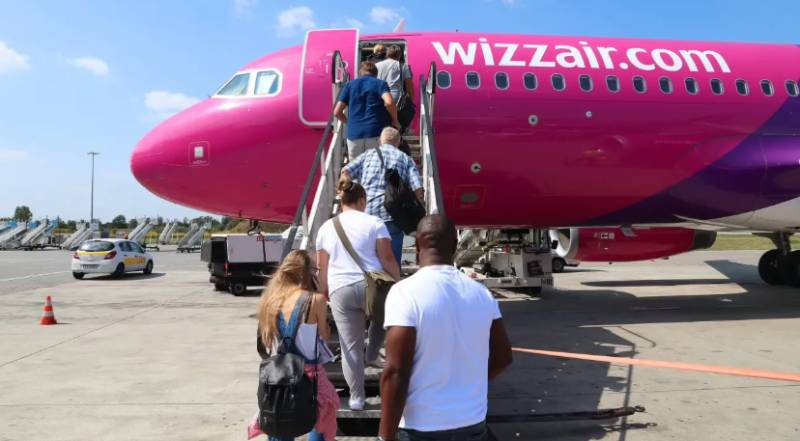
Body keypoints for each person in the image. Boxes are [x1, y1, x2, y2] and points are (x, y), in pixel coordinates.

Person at [378, 215, 513, 441]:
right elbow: (503, 357)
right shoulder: (482, 294)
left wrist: (385, 437)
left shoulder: (405, 293)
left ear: (417, 245)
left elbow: (395, 373)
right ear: (454, 246)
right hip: (472, 424)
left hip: (421, 428)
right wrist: (470, 386)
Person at [315, 178, 401, 410]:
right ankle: (372, 353)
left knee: (350, 347)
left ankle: (356, 398)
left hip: (340, 288)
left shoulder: (326, 228)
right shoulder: (375, 223)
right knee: (381, 318)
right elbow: (387, 258)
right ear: (362, 200)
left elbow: (322, 266)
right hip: (372, 286)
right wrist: (398, 282)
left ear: (341, 201)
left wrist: (323, 292)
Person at [254, 250, 339, 441]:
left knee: (280, 423)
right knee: (322, 418)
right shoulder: (315, 300)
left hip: (278, 376)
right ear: (307, 272)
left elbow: (266, 342)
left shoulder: (269, 299)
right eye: (315, 270)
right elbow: (325, 335)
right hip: (308, 375)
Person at [342, 126, 423, 266]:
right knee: (391, 263)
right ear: (399, 142)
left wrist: (347, 195)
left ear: (380, 141)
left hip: (367, 214)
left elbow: (346, 172)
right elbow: (418, 189)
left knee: (367, 263)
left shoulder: (367, 155)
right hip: (393, 215)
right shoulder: (406, 159)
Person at [334, 61, 400, 160]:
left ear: (360, 73)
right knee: (375, 168)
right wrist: (395, 121)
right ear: (376, 74)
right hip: (376, 133)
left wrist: (350, 123)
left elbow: (337, 112)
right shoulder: (380, 84)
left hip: (354, 136)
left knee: (356, 168)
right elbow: (389, 102)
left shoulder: (349, 85)